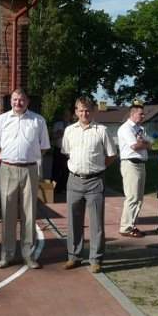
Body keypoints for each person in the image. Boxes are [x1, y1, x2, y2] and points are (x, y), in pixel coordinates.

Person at [0, 88, 50, 269]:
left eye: (22, 100)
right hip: (7, 169)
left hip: (30, 170)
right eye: (15, 99)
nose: (18, 103)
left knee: (29, 214)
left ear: (27, 101)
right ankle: (7, 255)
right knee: (7, 213)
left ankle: (28, 255)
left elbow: (44, 147)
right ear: (11, 101)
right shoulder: (1, 120)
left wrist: (28, 157)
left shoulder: (38, 120)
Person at [61, 96, 116, 273]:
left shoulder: (102, 130)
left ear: (93, 111)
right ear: (76, 112)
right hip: (74, 180)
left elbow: (111, 155)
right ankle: (74, 257)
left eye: (87, 110)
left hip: (95, 181)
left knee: (96, 223)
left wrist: (98, 169)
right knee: (73, 221)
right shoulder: (69, 131)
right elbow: (67, 152)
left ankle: (96, 259)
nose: (84, 113)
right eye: (81, 110)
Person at [117, 102, 152, 237]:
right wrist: (144, 143)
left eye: (143, 114)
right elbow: (135, 146)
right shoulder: (126, 128)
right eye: (140, 114)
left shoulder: (140, 128)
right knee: (132, 197)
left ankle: (132, 224)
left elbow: (150, 144)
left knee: (139, 198)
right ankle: (126, 227)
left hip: (141, 164)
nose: (143, 116)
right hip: (130, 164)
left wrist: (144, 143)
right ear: (132, 114)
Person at [51, 108, 72, 193]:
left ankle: (63, 188)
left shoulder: (72, 126)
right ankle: (53, 188)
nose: (66, 116)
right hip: (58, 149)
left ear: (70, 116)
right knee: (56, 169)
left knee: (65, 170)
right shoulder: (57, 124)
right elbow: (52, 137)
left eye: (68, 115)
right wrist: (58, 134)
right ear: (63, 116)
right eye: (65, 115)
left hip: (67, 151)